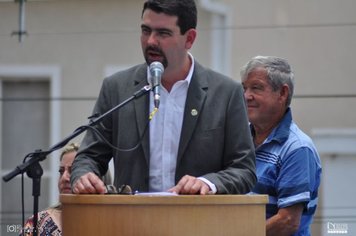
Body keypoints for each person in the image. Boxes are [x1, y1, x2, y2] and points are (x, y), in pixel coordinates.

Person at [70, 0, 256, 195]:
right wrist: (84, 175)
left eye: (163, 33)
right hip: (131, 221)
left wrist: (207, 183)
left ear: (189, 39)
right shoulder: (117, 88)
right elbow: (89, 156)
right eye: (145, 30)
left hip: (198, 220)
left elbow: (244, 170)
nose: (151, 41)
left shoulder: (226, 94)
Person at [240, 55, 322, 235]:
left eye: (256, 88)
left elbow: (287, 221)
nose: (246, 96)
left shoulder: (297, 148)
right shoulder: (239, 137)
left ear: (282, 93)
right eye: (244, 88)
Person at [22, 143, 112, 235]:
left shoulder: (114, 221)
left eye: (73, 170)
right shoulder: (37, 223)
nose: (64, 178)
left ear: (99, 179)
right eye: (61, 171)